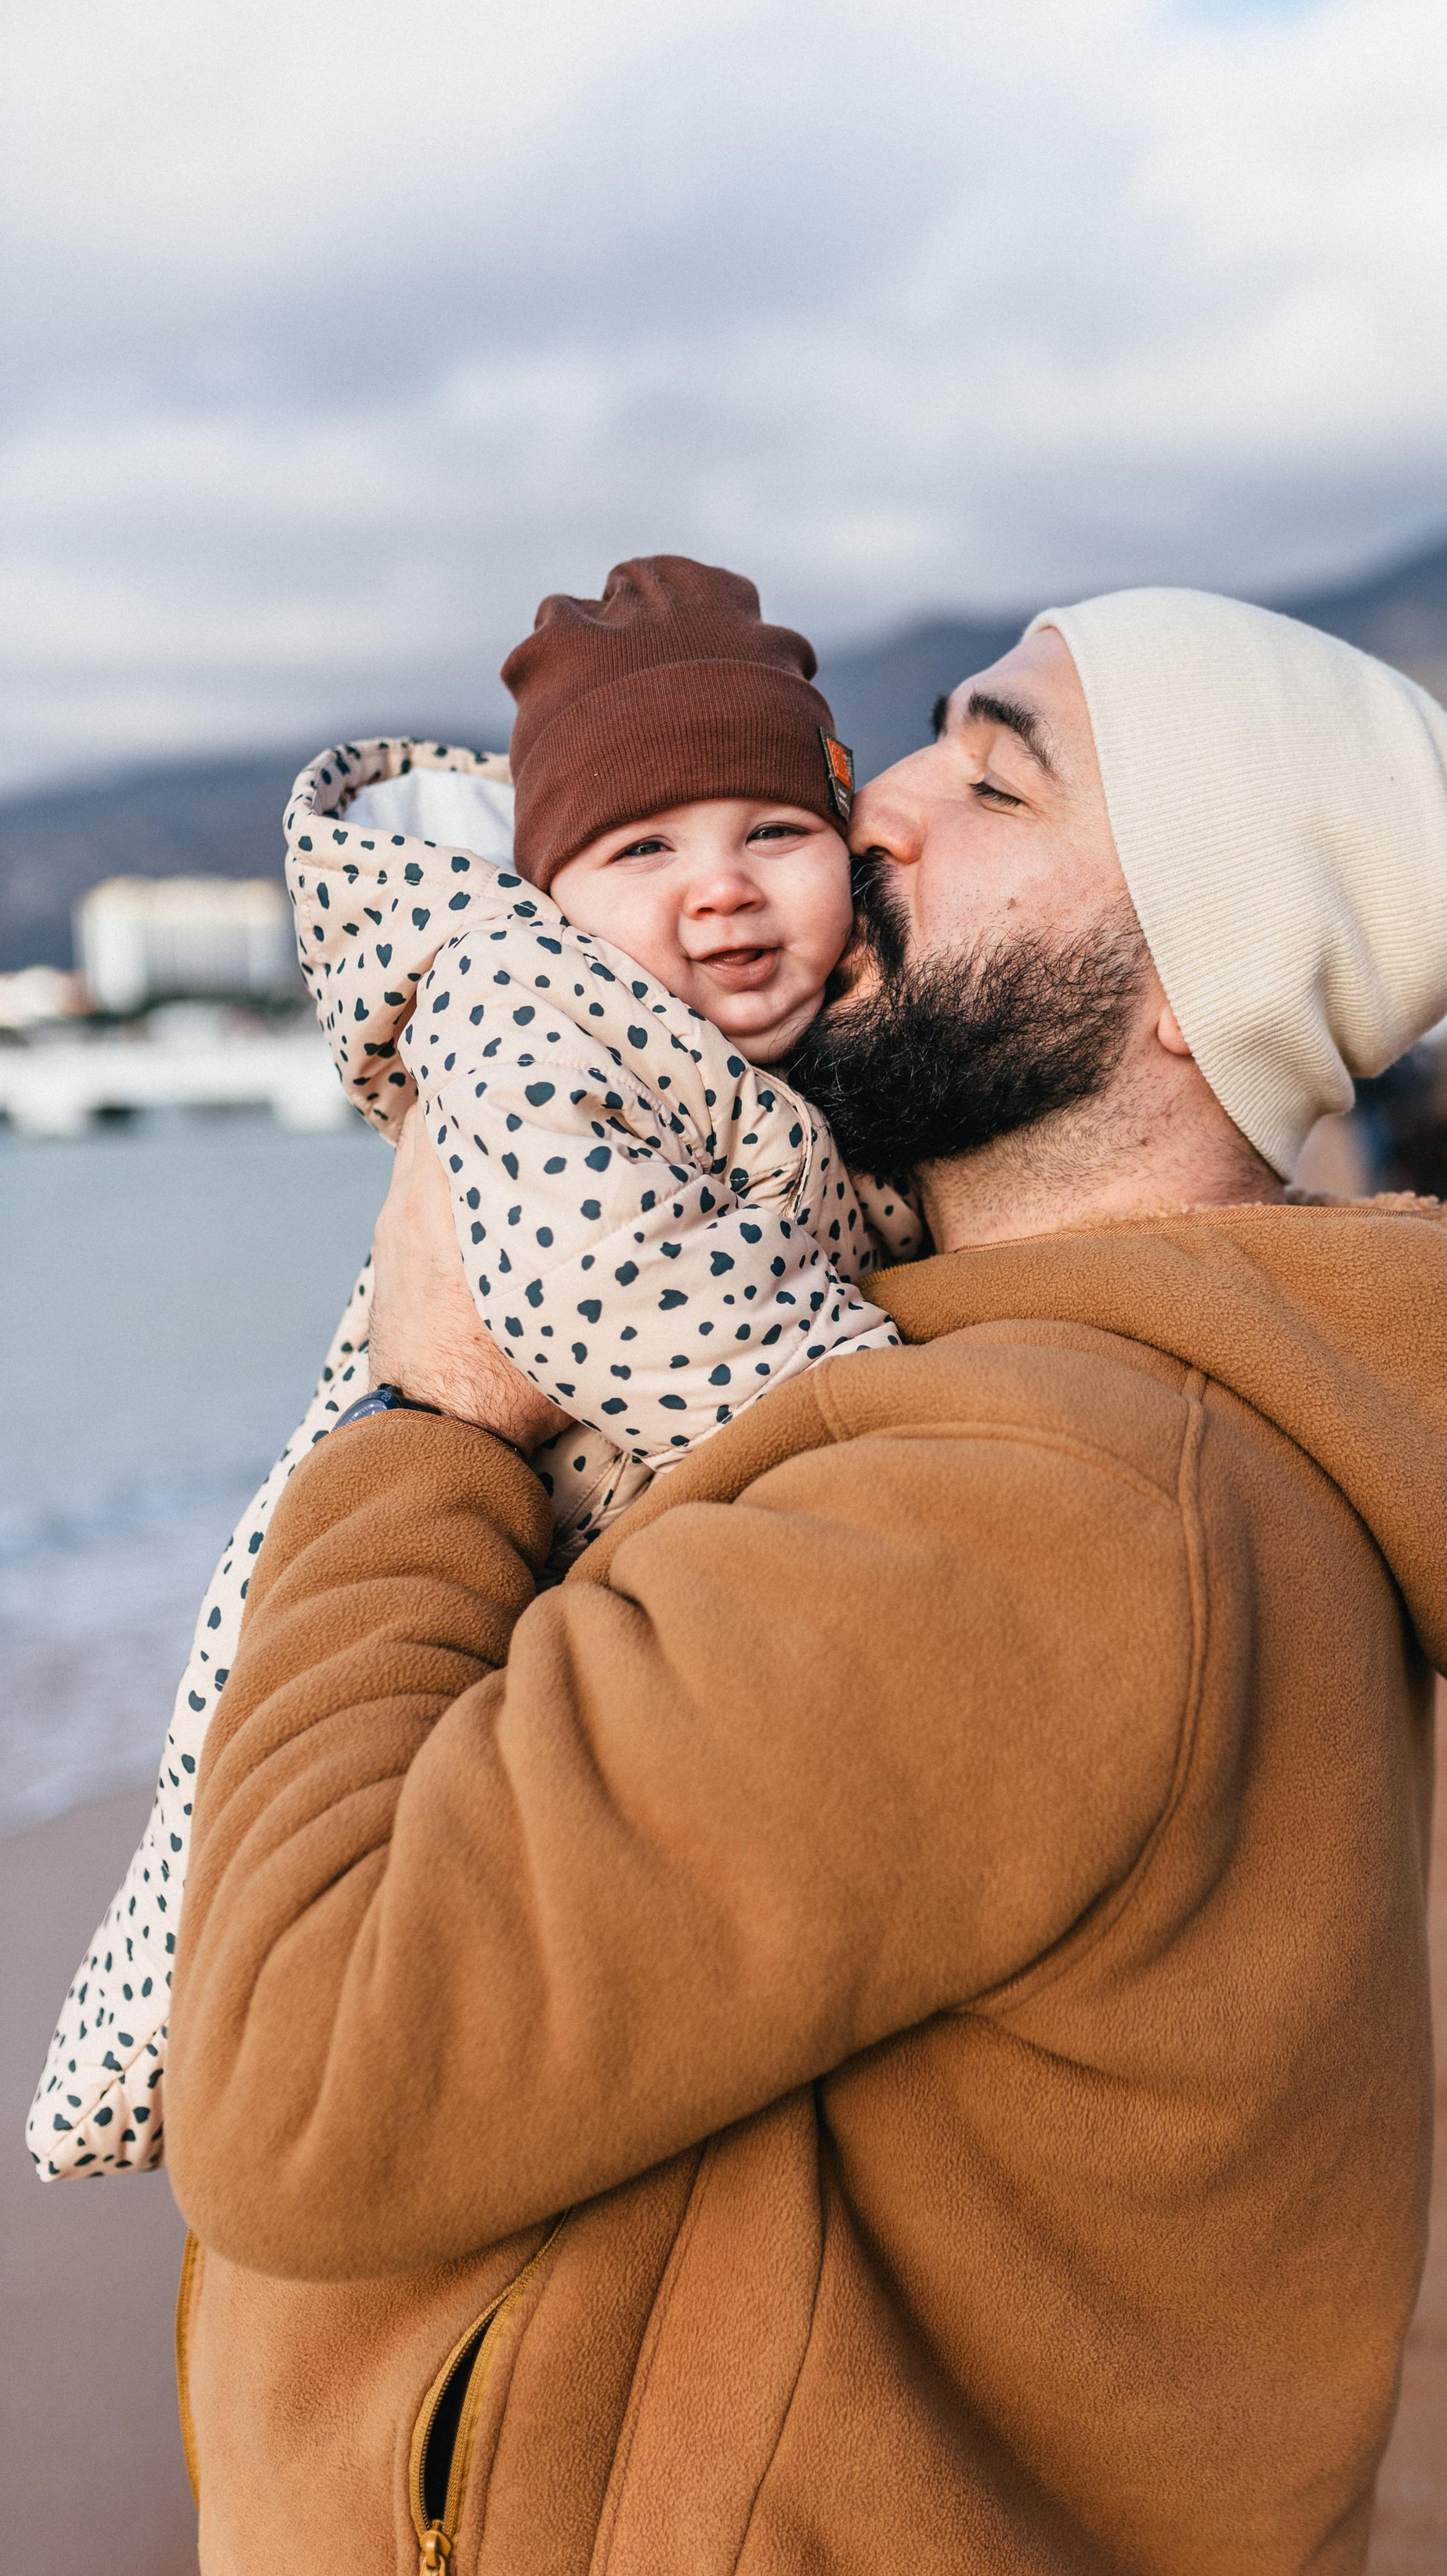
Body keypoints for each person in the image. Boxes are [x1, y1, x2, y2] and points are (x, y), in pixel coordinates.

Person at [166, 585, 1447, 2576]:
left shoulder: (1036, 1499)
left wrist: (429, 1415)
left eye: (998, 771)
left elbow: (307, 2083)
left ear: (1201, 987)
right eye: (921, 743)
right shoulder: (1048, 1403)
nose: (878, 807)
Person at [31, 556, 918, 2180]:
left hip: (564, 1523)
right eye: (642, 848)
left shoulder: (770, 1049)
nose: (718, 888)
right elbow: (608, 1291)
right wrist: (887, 1390)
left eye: (772, 835)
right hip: (422, 1487)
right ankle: (115, 2091)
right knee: (233, 1828)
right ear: (550, 890)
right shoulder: (525, 1006)